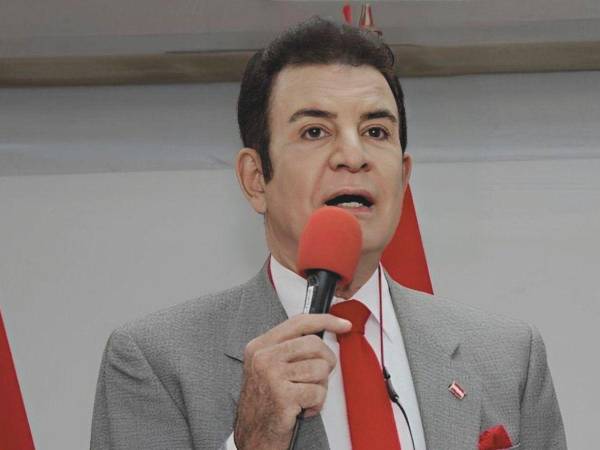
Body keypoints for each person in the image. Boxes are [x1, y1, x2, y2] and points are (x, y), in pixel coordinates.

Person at [91, 17, 567, 450]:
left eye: (376, 131)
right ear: (256, 179)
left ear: (403, 178)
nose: (353, 156)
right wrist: (254, 443)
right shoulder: (155, 362)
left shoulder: (508, 356)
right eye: (315, 132)